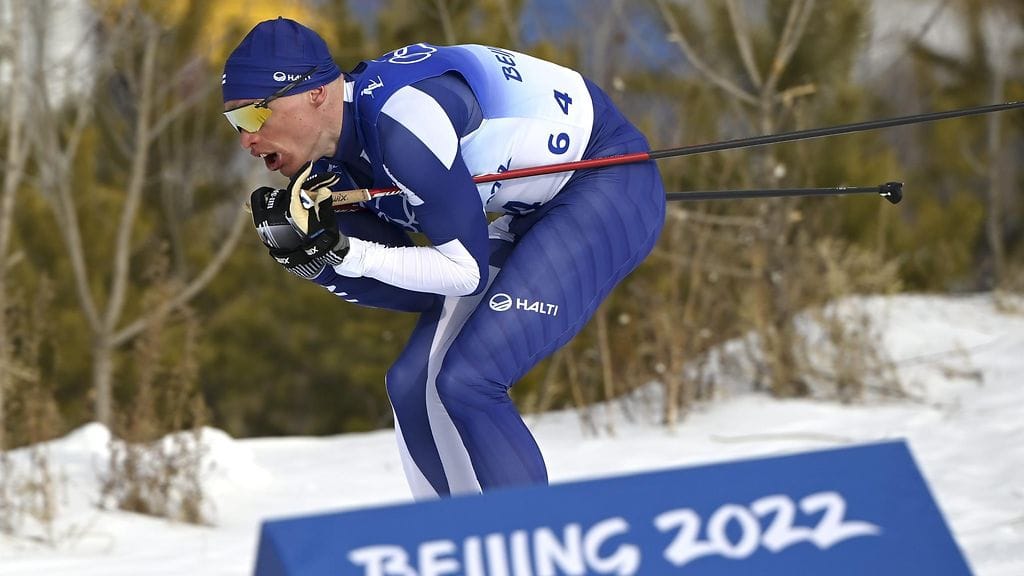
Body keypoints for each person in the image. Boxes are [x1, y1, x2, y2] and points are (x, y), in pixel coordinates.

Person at [222, 18, 665, 499]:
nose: (246, 139)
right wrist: (315, 259)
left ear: (314, 93)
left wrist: (346, 252)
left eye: (254, 116)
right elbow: (416, 292)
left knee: (469, 380)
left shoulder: (401, 125)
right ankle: (451, 545)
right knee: (412, 384)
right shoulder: (327, 171)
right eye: (235, 123)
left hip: (607, 182)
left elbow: (465, 273)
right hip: (530, 209)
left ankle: (534, 547)